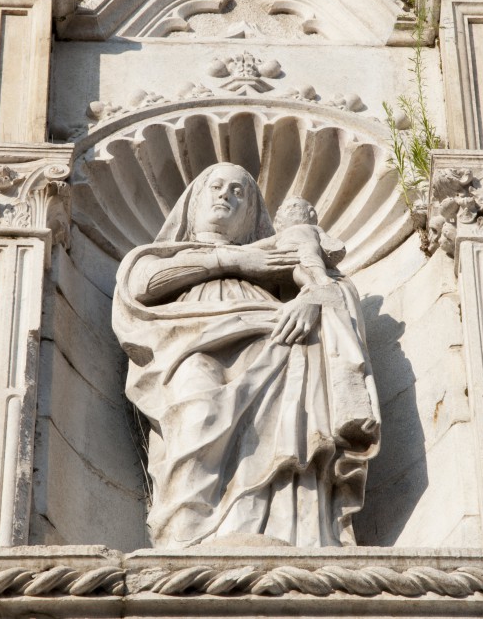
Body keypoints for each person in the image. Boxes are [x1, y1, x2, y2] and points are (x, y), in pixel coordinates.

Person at [112, 163, 380, 548]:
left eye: (239, 192)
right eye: (216, 186)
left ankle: (283, 531)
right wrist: (233, 262)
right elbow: (144, 285)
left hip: (273, 340)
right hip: (188, 345)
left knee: (281, 427)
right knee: (198, 415)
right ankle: (187, 539)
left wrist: (310, 303)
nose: (226, 195)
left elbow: (323, 283)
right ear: (193, 202)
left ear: (253, 213)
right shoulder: (157, 255)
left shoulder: (275, 254)